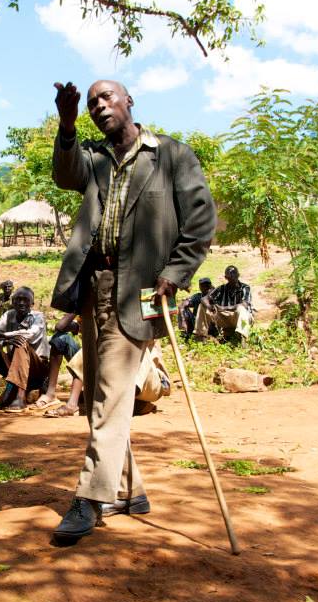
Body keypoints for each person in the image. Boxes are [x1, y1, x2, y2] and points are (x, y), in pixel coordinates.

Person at [49, 80, 215, 541]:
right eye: (92, 102)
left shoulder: (171, 156)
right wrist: (66, 124)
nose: (99, 106)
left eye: (108, 98)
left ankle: (89, 500)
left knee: (112, 397)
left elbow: (201, 220)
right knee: (97, 400)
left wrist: (177, 272)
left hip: (140, 291)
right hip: (92, 288)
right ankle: (128, 488)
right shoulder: (95, 158)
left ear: (129, 103)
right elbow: (66, 175)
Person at [0, 286, 50, 412]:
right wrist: (4, 340)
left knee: (20, 341)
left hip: (38, 368)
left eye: (25, 299)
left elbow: (30, 335)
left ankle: (20, 398)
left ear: (32, 303)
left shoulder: (38, 316)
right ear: (13, 302)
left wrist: (4, 337)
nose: (21, 302)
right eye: (18, 299)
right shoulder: (8, 315)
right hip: (15, 365)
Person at [32, 312, 81, 412]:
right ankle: (50, 393)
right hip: (86, 360)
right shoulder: (84, 315)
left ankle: (72, 404)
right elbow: (60, 327)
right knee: (60, 338)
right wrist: (76, 307)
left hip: (101, 361)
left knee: (84, 353)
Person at [193, 266, 253, 343]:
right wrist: (210, 307)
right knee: (202, 306)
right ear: (226, 277)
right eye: (230, 276)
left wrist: (224, 308)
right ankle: (200, 336)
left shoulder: (245, 288)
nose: (233, 278)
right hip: (225, 319)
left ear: (238, 275)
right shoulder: (222, 288)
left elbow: (244, 305)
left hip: (242, 318)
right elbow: (204, 299)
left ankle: (242, 338)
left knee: (241, 308)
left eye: (234, 275)